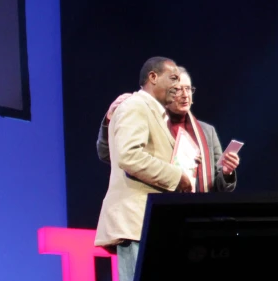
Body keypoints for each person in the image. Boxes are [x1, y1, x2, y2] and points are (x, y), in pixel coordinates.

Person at [94, 56, 193, 281]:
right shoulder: (136, 105)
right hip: (136, 222)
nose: (179, 86)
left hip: (149, 222)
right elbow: (128, 156)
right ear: (153, 77)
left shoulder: (152, 112)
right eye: (174, 78)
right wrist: (177, 176)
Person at [96, 66, 240, 193]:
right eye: (178, 89)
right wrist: (110, 120)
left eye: (188, 89)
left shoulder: (208, 132)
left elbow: (220, 187)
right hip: (161, 204)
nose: (185, 95)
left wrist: (227, 172)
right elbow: (109, 155)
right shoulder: (152, 121)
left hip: (198, 211)